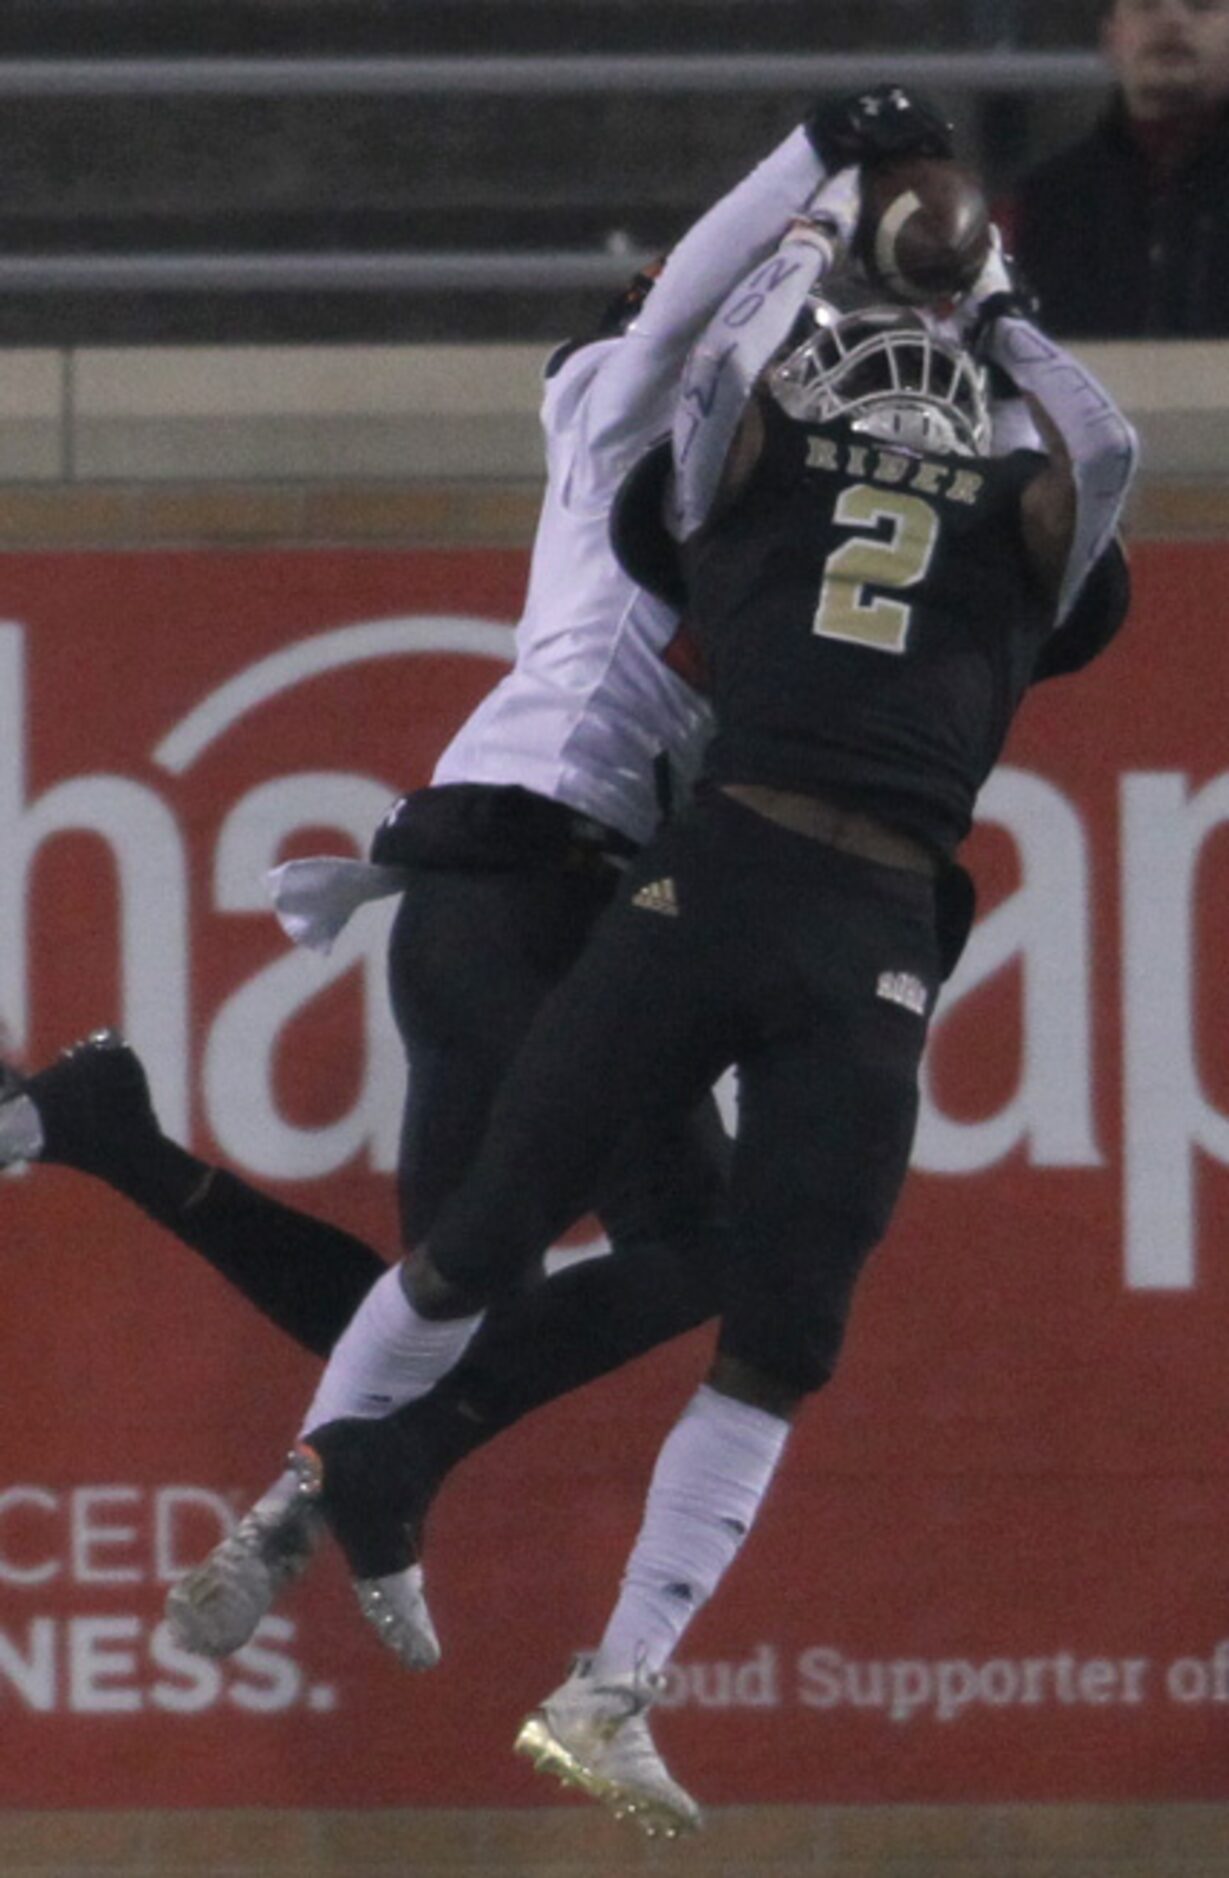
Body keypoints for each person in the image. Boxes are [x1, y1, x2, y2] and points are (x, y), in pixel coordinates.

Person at [219, 157, 1140, 1838]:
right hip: (691, 867)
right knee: (494, 1223)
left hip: (790, 898)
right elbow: (713, 393)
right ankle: (322, 1474)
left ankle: (604, 1672)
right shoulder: (739, 465)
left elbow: (1086, 473)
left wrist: (939, 308)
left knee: (776, 1310)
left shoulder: (915, 501)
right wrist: (894, 280)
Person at [0, 89, 966, 1661]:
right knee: (696, 1250)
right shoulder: (623, 402)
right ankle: (381, 1463)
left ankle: (130, 1154)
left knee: (431, 1305)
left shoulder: (770, 477)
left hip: (486, 886)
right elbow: (696, 305)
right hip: (546, 868)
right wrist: (814, 160)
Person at [1010, 0, 1229, 336]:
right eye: (1147, 5)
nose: (1173, 20)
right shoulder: (1054, 198)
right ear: (1110, 37)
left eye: (1200, 5)